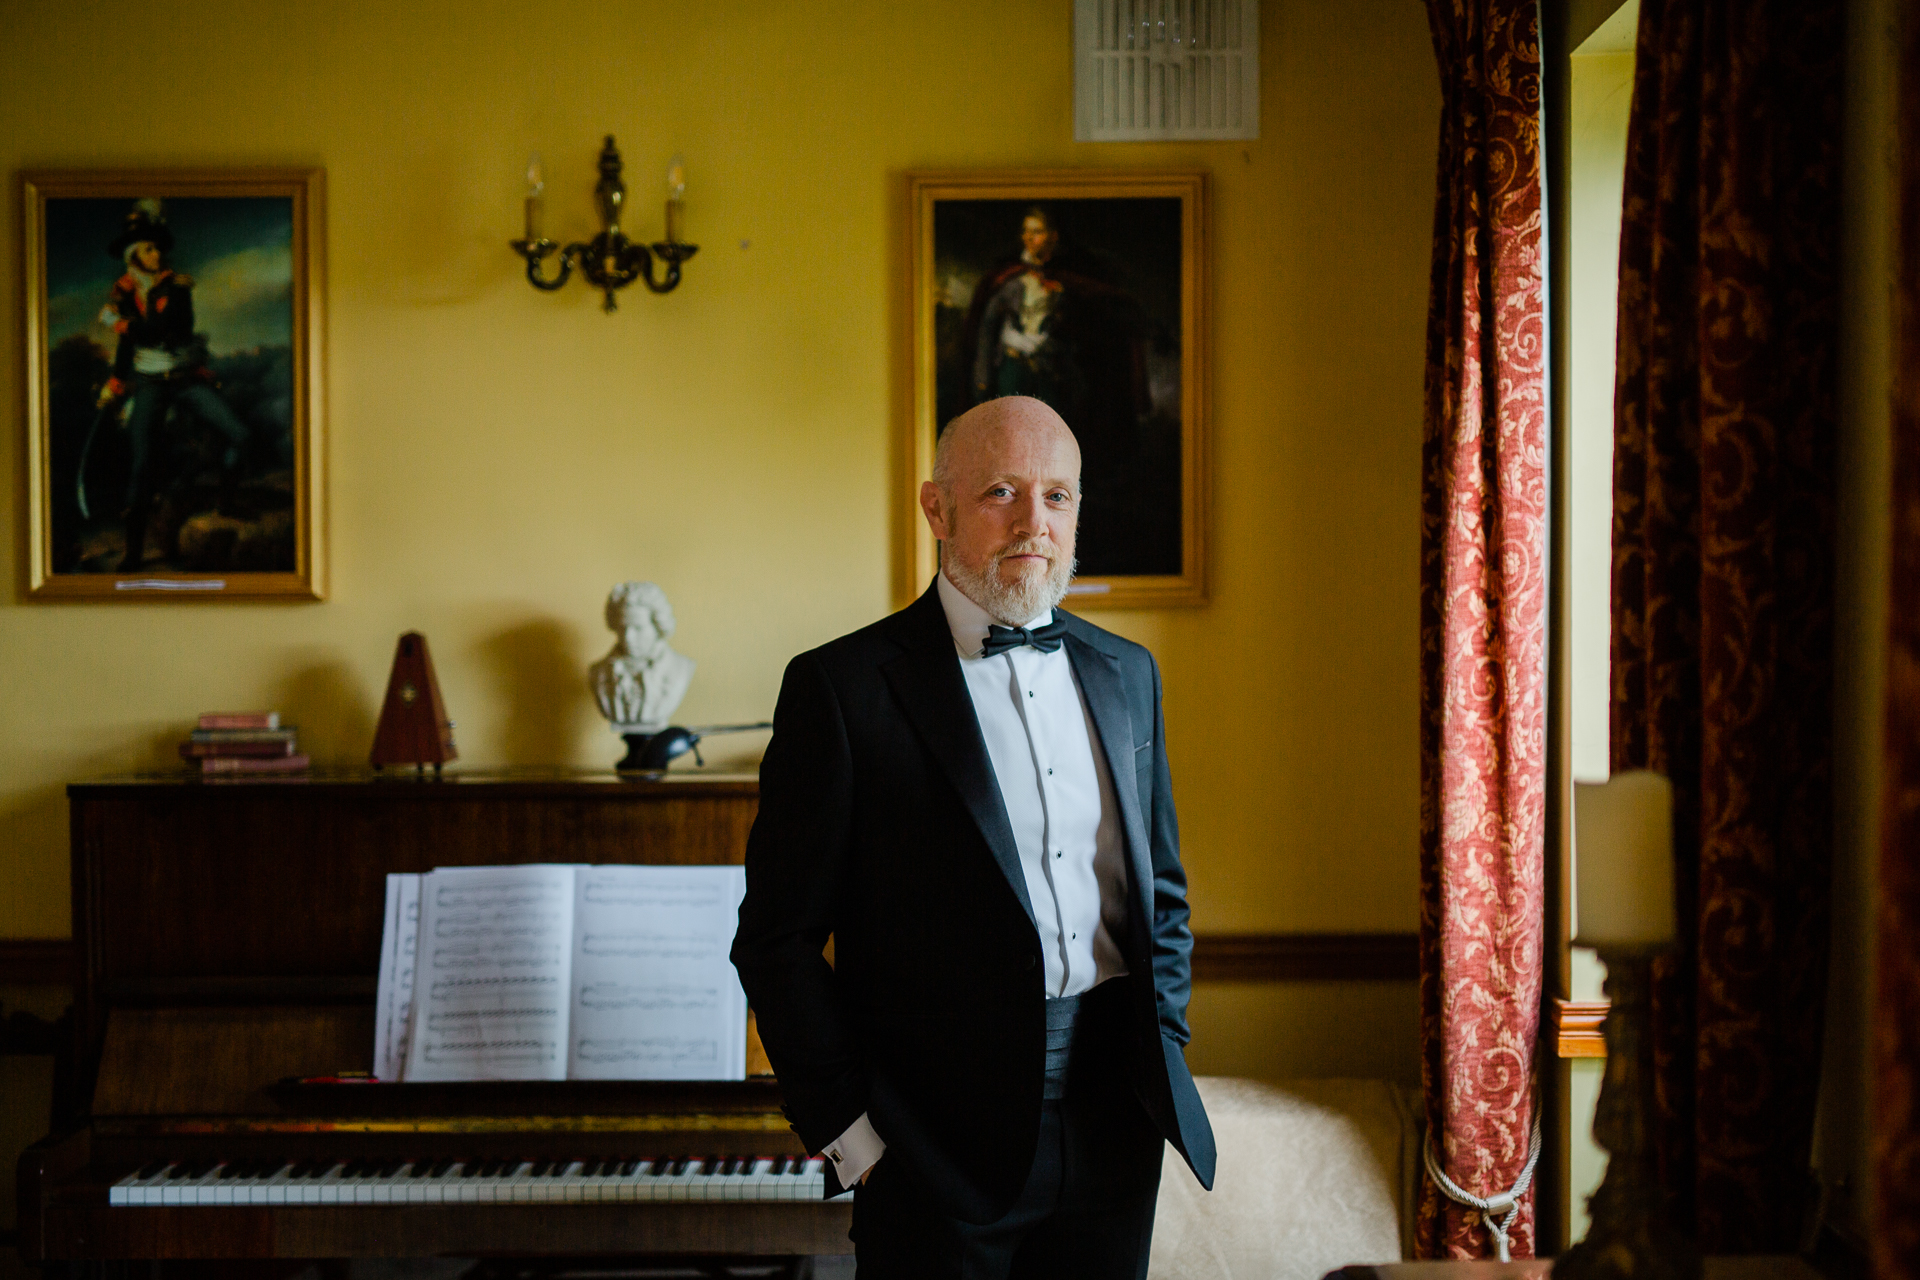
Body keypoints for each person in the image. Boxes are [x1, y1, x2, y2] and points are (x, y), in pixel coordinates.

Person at [731, 395, 1214, 1278]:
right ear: (937, 508)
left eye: (1057, 496)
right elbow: (776, 940)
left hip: (1115, 1128)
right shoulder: (841, 690)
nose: (1035, 521)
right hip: (932, 1154)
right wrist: (854, 1139)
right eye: (1001, 491)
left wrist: (1163, 1045)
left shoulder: (1128, 674)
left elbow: (1163, 897)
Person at [93, 200, 251, 570]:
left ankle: (225, 502)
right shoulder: (124, 294)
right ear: (134, 255)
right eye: (148, 248)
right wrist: (115, 382)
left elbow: (164, 331)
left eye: (157, 246)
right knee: (141, 464)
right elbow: (131, 346)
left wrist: (117, 323)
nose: (157, 253)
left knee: (239, 435)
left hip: (185, 380)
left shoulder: (177, 288)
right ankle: (133, 552)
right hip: (149, 383)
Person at [588, 580, 697, 732]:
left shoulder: (680, 668)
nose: (628, 637)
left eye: (638, 628)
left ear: (657, 626)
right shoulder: (598, 672)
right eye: (622, 628)